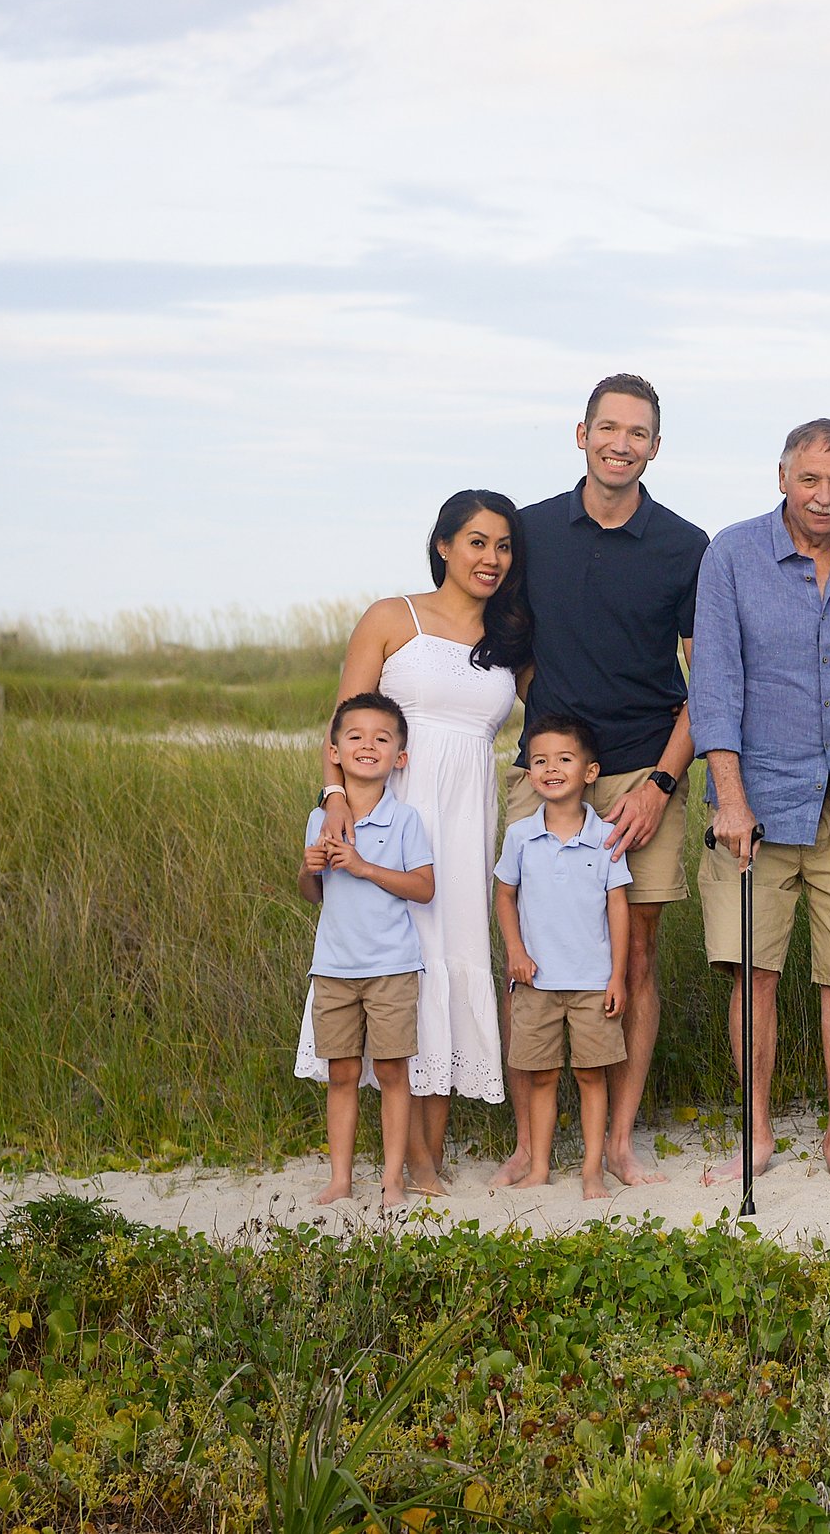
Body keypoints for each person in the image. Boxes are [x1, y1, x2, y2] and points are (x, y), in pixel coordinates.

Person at [690, 418, 830, 1194]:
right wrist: (729, 798)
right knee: (752, 977)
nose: (825, 496)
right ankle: (755, 1137)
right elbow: (714, 682)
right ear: (782, 476)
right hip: (753, 806)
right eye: (810, 479)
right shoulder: (730, 553)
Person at [500, 373, 708, 1190]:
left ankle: (618, 1141)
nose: (621, 443)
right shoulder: (533, 530)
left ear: (656, 447)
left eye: (638, 432)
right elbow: (506, 644)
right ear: (580, 434)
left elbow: (710, 678)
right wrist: (552, 734)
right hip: (547, 772)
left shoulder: (686, 545)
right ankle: (530, 1145)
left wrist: (660, 781)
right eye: (608, 427)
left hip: (643, 772)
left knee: (639, 954)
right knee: (531, 954)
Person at [300, 491, 530, 1192]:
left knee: (454, 959)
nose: (490, 558)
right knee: (401, 962)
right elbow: (342, 724)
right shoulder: (389, 618)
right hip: (394, 815)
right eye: (476, 542)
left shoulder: (513, 637)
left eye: (503, 546)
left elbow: (559, 709)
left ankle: (427, 1155)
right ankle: (390, 1155)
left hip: (465, 820)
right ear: (443, 546)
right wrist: (336, 799)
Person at [298, 692, 435, 1209]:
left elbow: (424, 887)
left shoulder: (405, 820)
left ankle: (394, 1179)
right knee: (342, 1073)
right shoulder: (321, 819)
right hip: (333, 967)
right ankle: (340, 1180)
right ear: (334, 751)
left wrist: (362, 866)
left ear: (399, 757)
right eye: (354, 736)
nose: (367, 746)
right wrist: (311, 869)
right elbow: (313, 894)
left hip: (392, 966)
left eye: (382, 739)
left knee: (394, 1071)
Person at [493, 713, 632, 1200]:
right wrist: (515, 951)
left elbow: (618, 907)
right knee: (541, 1075)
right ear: (529, 772)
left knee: (592, 1074)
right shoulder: (520, 837)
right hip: (536, 982)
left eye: (564, 759)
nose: (550, 768)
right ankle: (538, 1167)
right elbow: (504, 895)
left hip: (593, 981)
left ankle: (593, 1169)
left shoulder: (606, 837)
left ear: (589, 772)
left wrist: (618, 976)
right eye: (539, 761)